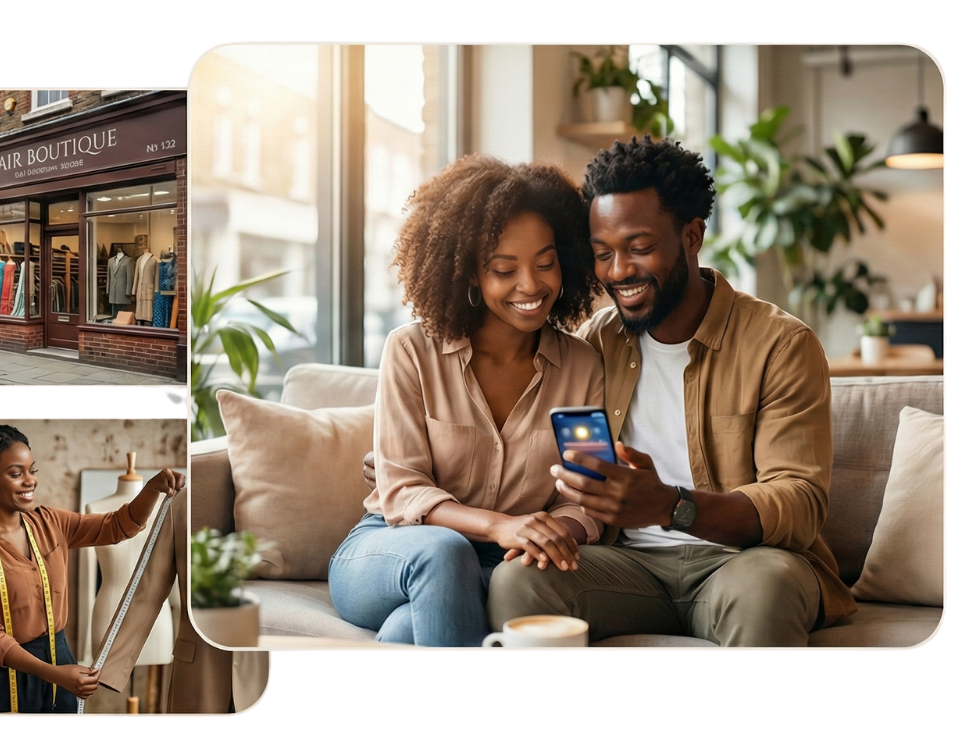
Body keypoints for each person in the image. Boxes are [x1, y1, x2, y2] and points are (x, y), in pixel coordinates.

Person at [486, 136, 857, 646]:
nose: (618, 272)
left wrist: (670, 506)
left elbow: (799, 501)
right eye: (603, 254)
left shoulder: (780, 343)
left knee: (768, 586)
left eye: (639, 248)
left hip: (743, 564)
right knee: (519, 579)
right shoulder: (595, 340)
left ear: (692, 235)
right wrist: (417, 460)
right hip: (626, 566)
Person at [328, 154, 606, 647]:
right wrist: (502, 526)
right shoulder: (412, 351)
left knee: (404, 632)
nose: (531, 285)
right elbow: (402, 490)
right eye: (505, 269)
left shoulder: (582, 367)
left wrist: (554, 530)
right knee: (444, 553)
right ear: (470, 273)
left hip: (505, 566)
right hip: (390, 550)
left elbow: (583, 495)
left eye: (546, 263)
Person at [0, 424, 183, 713]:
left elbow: (118, 526)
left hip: (59, 656)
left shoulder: (50, 522)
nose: (29, 481)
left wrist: (152, 488)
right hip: (4, 672)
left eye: (32, 471)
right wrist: (54, 674)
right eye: (15, 473)